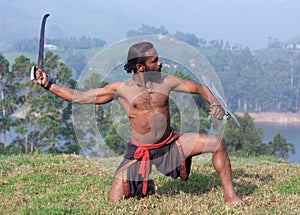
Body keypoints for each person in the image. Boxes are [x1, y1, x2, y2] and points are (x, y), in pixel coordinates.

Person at [35, 41, 243, 205]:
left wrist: (215, 103)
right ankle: (145, 184)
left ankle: (230, 196)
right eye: (155, 60)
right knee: (114, 201)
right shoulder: (121, 89)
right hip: (139, 151)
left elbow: (200, 88)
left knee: (218, 144)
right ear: (141, 67)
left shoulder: (166, 81)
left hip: (170, 144)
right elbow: (79, 97)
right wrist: (49, 85)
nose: (160, 63)